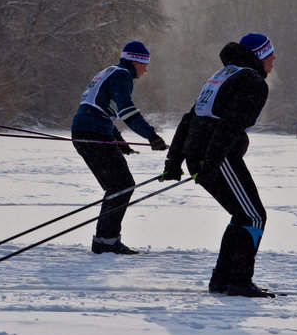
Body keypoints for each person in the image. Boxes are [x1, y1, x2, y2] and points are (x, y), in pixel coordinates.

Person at [162, 33, 275, 297]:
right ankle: (237, 281)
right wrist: (211, 163)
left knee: (243, 215)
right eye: (271, 54)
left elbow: (189, 118)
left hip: (202, 155)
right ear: (260, 55)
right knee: (254, 216)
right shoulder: (252, 81)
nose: (274, 60)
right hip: (217, 157)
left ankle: (223, 280)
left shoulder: (223, 74)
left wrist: (174, 161)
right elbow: (229, 126)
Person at [71, 41, 167, 255]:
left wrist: (118, 139)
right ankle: (106, 241)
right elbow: (126, 109)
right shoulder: (122, 75)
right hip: (93, 133)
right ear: (136, 61)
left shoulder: (110, 72)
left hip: (87, 131)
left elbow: (98, 106)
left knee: (118, 186)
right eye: (145, 64)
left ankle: (106, 239)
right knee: (122, 185)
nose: (146, 69)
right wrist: (151, 135)